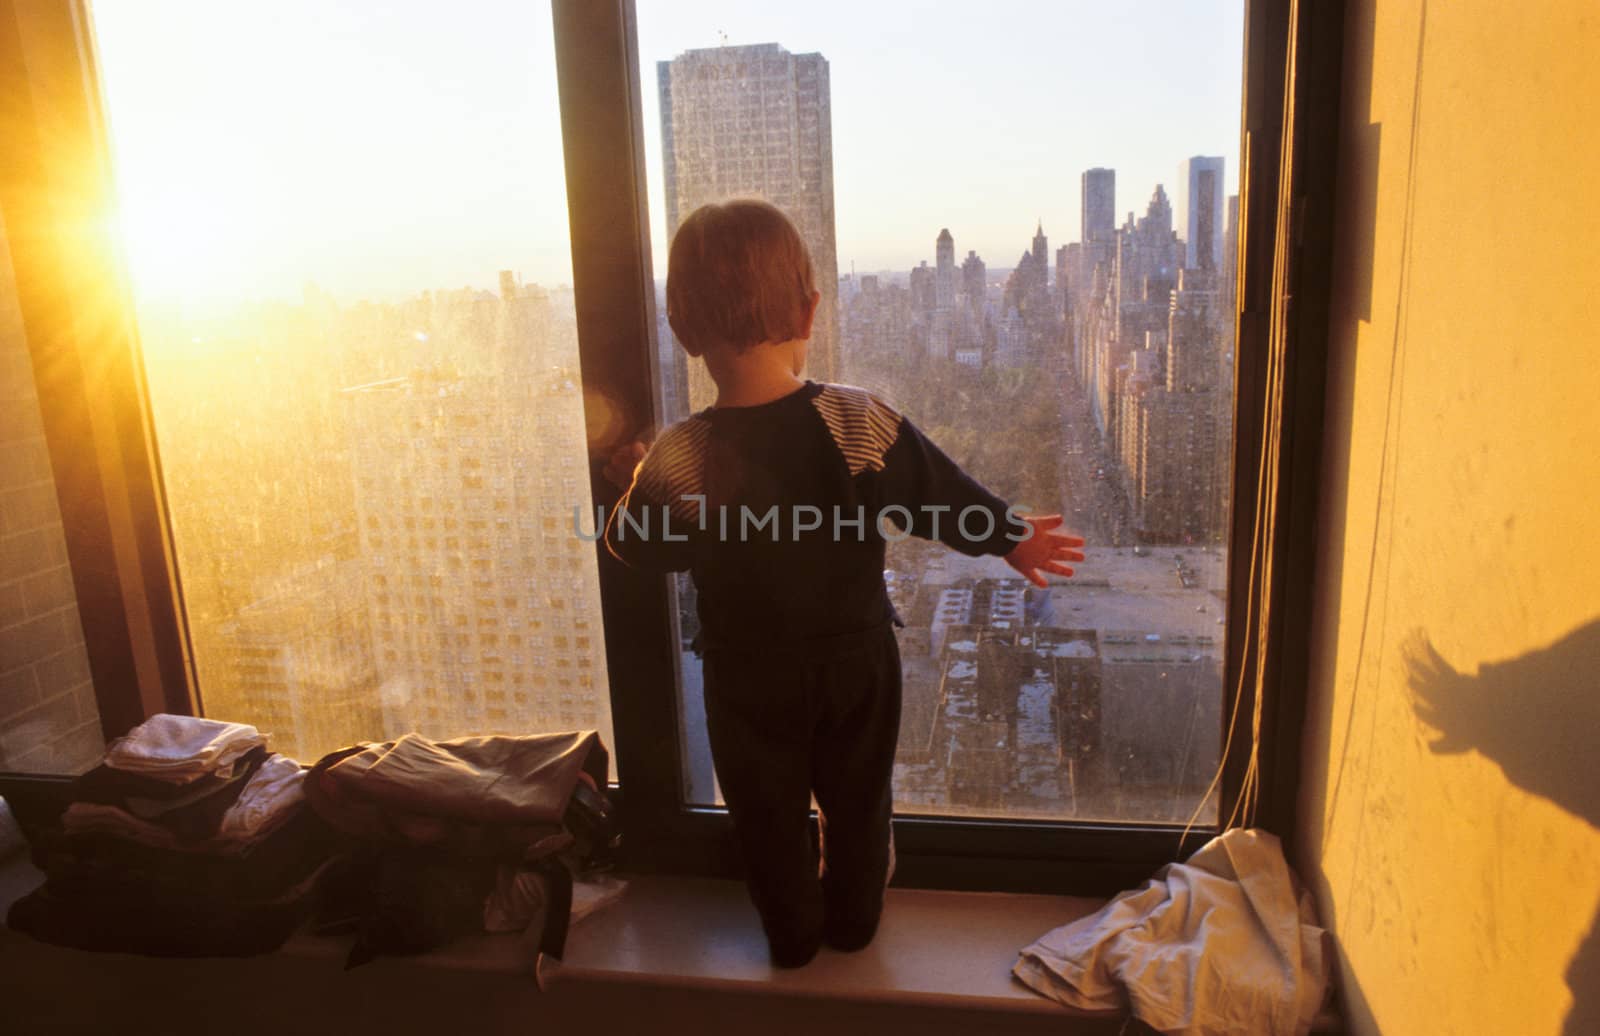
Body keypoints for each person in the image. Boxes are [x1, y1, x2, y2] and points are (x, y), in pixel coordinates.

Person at [602, 199, 1085, 968]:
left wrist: (636, 480)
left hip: (745, 672)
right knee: (858, 801)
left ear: (684, 331)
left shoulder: (683, 455)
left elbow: (632, 547)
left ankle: (791, 935)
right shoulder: (853, 420)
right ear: (809, 310)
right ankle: (854, 918)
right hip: (855, 659)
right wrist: (1012, 537)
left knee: (767, 812)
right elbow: (937, 492)